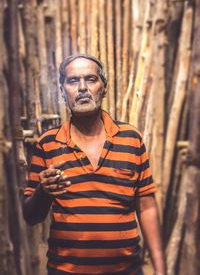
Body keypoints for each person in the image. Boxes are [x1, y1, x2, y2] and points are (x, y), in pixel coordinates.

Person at [23, 54, 166, 275]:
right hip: (65, 270)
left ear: (104, 88)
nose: (82, 88)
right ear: (62, 91)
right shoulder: (48, 144)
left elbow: (146, 206)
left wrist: (160, 268)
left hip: (127, 270)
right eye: (72, 81)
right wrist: (43, 191)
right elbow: (31, 216)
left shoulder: (131, 138)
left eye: (91, 79)